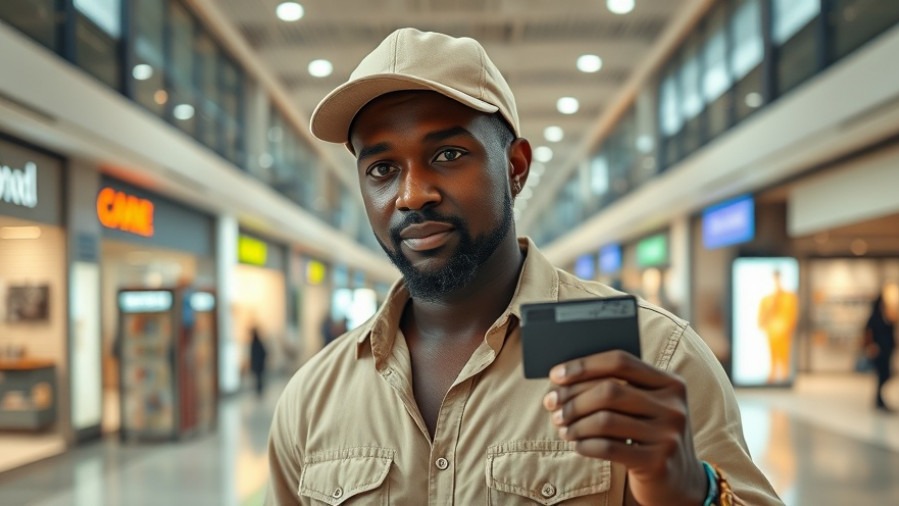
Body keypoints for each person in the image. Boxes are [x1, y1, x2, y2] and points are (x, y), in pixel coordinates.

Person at [266, 28, 783, 505]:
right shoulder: (313, 397)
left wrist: (695, 492)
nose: (411, 194)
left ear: (515, 168)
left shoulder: (654, 355)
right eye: (382, 168)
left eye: (447, 154)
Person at [757, 269, 798, 384]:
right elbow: (762, 317)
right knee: (773, 357)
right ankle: (773, 376)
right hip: (772, 332)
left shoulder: (789, 298)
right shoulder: (767, 299)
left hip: (783, 332)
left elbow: (792, 315)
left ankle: (784, 378)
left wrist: (787, 328)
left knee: (784, 357)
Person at [863, 286, 897, 412]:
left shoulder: (887, 317)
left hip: (887, 350)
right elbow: (868, 332)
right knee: (882, 374)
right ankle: (879, 400)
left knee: (886, 374)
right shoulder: (874, 318)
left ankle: (880, 399)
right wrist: (871, 346)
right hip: (878, 352)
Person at [250, 325, 268, 398]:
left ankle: (259, 391)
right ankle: (258, 391)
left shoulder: (256, 343)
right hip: (258, 364)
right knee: (258, 378)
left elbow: (263, 353)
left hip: (258, 364)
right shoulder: (255, 343)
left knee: (259, 378)